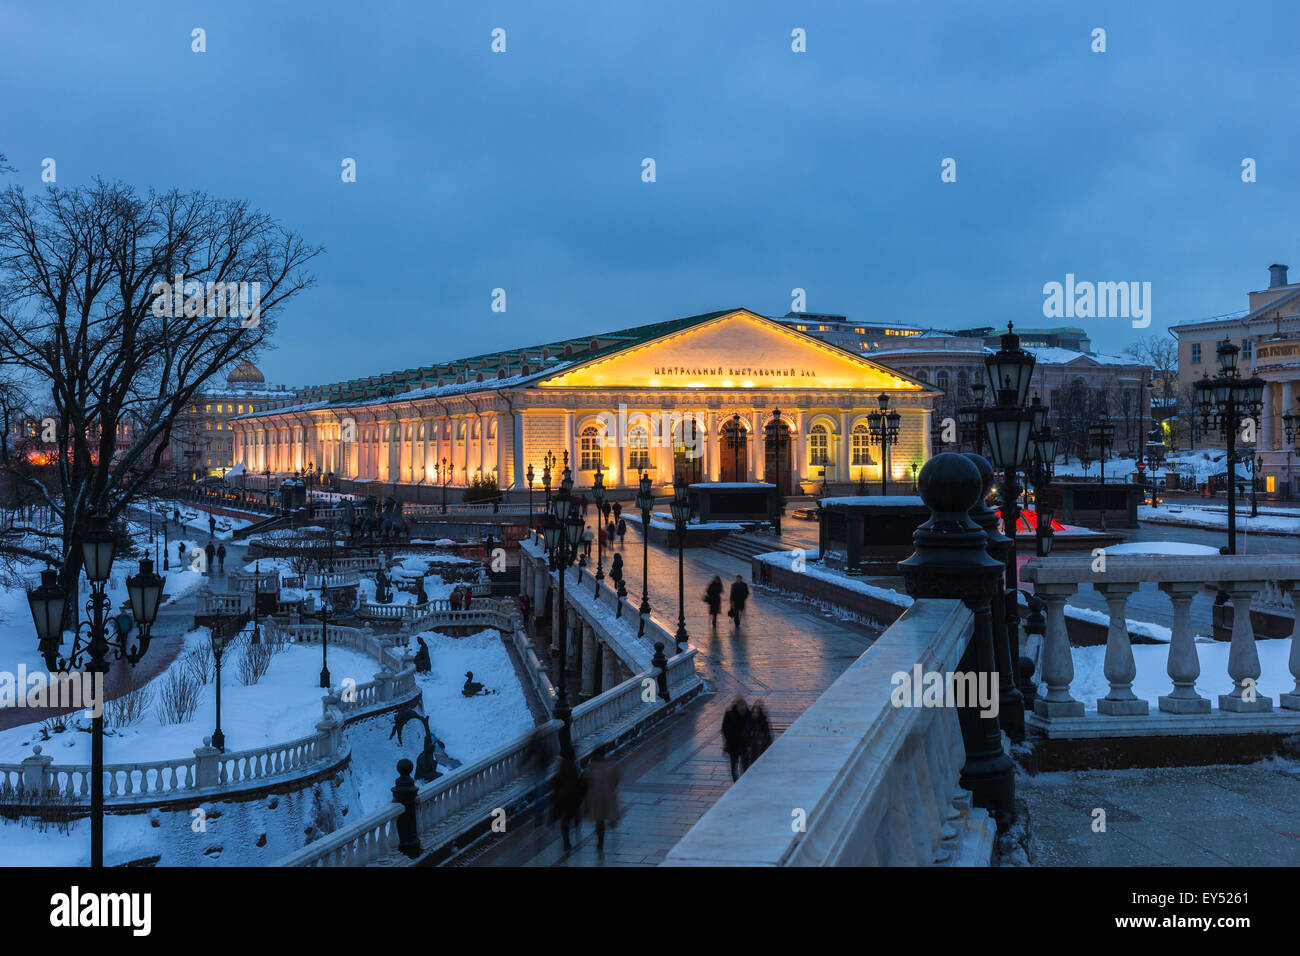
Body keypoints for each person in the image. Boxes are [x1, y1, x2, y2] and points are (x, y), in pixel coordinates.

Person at [583, 746, 621, 852]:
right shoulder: (612, 766)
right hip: (608, 797)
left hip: (596, 799)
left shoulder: (590, 768)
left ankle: (600, 842)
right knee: (605, 818)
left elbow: (585, 783)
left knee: (599, 821)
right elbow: (616, 780)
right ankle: (602, 839)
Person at [551, 753, 586, 852]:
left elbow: (554, 785)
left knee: (564, 821)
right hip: (573, 799)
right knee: (573, 816)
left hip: (562, 799)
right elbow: (580, 784)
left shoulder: (561, 770)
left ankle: (566, 841)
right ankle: (576, 830)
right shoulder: (574, 769)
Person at [721, 697, 751, 782]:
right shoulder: (729, 714)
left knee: (745, 765)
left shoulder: (749, 714)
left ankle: (744, 782)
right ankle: (736, 782)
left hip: (745, 745)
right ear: (736, 706)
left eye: (744, 705)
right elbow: (724, 729)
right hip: (733, 745)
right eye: (740, 705)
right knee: (734, 766)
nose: (742, 707)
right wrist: (729, 739)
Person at [747, 699, 773, 767]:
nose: (755, 714)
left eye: (757, 712)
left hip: (761, 747)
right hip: (753, 748)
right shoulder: (749, 721)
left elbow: (768, 734)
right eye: (754, 712)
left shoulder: (763, 721)